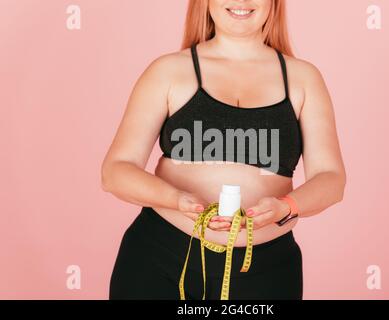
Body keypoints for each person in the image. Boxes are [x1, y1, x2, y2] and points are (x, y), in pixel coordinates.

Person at [102, 0, 346, 300]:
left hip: (266, 271)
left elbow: (332, 179)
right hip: (161, 260)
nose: (241, 2)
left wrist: (285, 207)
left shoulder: (303, 78)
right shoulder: (168, 70)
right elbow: (116, 171)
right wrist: (176, 200)